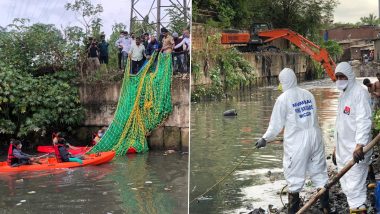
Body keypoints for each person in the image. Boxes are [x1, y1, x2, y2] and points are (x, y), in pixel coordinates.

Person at [255, 68, 329, 214]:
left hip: (297, 142)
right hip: (315, 137)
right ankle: (326, 209)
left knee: (294, 177)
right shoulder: (308, 94)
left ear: (283, 81)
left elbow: (276, 125)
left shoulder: (283, 99)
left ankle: (294, 211)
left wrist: (265, 138)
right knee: (320, 174)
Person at [333, 62, 372, 213]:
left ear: (349, 76)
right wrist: (335, 148)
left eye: (342, 76)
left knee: (355, 186)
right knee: (348, 187)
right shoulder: (343, 95)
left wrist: (360, 144)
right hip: (343, 150)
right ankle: (357, 208)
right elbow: (339, 123)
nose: (339, 79)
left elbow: (364, 120)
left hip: (356, 150)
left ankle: (358, 209)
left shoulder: (360, 93)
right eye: (337, 77)